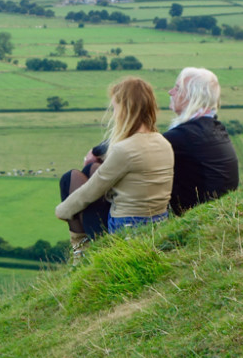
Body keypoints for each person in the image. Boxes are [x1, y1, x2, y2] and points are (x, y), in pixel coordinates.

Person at [56, 77, 173, 250]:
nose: (113, 114)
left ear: (125, 109)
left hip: (126, 229)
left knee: (70, 179)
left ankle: (80, 249)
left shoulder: (125, 150)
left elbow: (89, 192)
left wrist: (61, 211)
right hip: (158, 221)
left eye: (115, 108)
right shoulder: (163, 142)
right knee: (92, 169)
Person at [163, 67, 239, 215]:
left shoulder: (185, 136)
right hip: (218, 209)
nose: (170, 92)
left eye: (177, 89)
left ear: (192, 97)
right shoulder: (214, 128)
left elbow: (141, 149)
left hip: (197, 213)